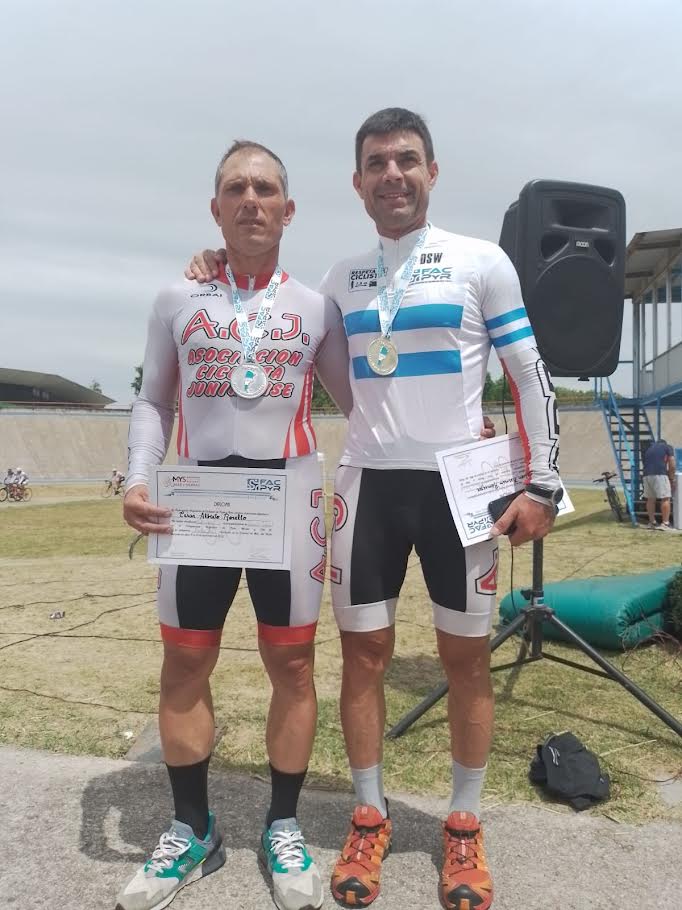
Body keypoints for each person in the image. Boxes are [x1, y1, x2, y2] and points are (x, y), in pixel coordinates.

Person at [186, 108, 562, 910]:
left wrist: (543, 484)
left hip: (458, 491)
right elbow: (274, 316)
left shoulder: (482, 261)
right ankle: (368, 813)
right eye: (377, 164)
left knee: (466, 661)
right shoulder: (338, 281)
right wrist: (215, 266)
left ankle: (464, 824)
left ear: (432, 172)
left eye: (407, 160)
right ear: (357, 183)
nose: (393, 174)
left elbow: (530, 375)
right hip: (367, 487)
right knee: (363, 657)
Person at [118, 140, 354, 910]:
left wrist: (463, 433)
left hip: (289, 503)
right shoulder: (175, 298)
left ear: (289, 210)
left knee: (293, 667)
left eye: (266, 188)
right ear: (215, 208)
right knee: (185, 666)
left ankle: (283, 826)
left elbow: (362, 404)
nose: (251, 198)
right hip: (196, 505)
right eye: (236, 188)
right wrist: (137, 476)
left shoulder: (316, 308)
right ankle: (193, 828)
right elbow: (153, 400)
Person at [643, 438, 676, 530]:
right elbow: (672, 463)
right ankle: (665, 523)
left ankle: (652, 522)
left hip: (646, 475)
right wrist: (671, 478)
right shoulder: (667, 447)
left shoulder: (649, 449)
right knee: (665, 498)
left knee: (650, 499)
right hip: (660, 474)